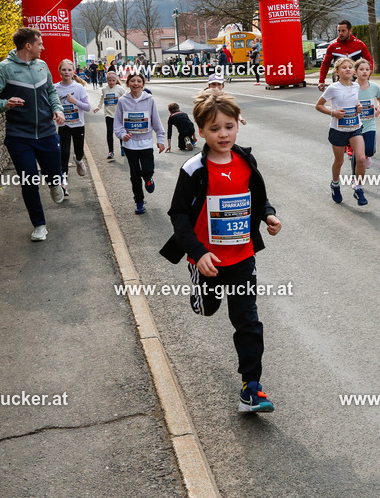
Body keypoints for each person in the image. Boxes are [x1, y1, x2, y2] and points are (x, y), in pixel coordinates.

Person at [161, 92, 282, 413]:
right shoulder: (194, 169)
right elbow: (178, 215)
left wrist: (268, 215)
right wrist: (198, 254)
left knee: (248, 321)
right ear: (201, 131)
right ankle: (199, 289)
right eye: (215, 129)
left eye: (229, 126)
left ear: (237, 126)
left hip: (242, 257)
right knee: (207, 309)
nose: (223, 134)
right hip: (207, 261)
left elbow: (259, 197)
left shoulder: (245, 161)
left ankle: (251, 387)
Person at [0, 27, 65, 241]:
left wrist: (57, 109)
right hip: (20, 135)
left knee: (54, 171)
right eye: (40, 43)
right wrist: (5, 103)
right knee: (29, 181)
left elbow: (51, 91)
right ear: (28, 46)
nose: (43, 47)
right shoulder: (4, 69)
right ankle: (39, 225)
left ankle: (55, 182)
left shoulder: (42, 66)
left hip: (47, 132)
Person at [316, 58, 368, 206]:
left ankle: (359, 188)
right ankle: (335, 184)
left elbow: (354, 101)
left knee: (361, 158)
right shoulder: (333, 87)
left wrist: (358, 106)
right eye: (344, 67)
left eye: (350, 67)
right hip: (338, 129)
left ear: (353, 71)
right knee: (339, 161)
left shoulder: (356, 86)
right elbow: (318, 106)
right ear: (337, 72)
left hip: (355, 127)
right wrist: (333, 113)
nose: (347, 69)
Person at [113, 72, 166, 214]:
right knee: (134, 175)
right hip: (130, 145)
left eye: (139, 81)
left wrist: (160, 140)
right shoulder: (122, 101)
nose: (136, 83)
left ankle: (148, 178)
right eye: (133, 81)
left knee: (148, 170)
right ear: (128, 83)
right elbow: (117, 123)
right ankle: (139, 202)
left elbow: (156, 121)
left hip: (146, 143)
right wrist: (123, 134)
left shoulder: (149, 100)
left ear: (143, 84)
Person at [55, 59, 91, 196]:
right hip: (63, 125)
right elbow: (51, 105)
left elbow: (87, 107)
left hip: (78, 125)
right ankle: (63, 183)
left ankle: (79, 160)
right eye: (63, 70)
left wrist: (75, 101)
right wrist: (55, 113)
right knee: (63, 154)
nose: (66, 72)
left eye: (69, 70)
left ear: (73, 72)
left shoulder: (78, 88)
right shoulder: (55, 88)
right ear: (59, 72)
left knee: (79, 151)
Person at [318, 20, 373, 92]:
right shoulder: (332, 46)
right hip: (338, 78)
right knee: (339, 100)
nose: (340, 33)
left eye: (343, 31)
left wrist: (367, 75)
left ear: (350, 30)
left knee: (355, 100)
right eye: (339, 31)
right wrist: (321, 81)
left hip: (355, 78)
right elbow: (325, 64)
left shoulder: (359, 44)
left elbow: (369, 61)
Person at [352, 59, 380, 174]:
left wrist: (379, 108)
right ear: (355, 72)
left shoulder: (374, 87)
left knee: (369, 150)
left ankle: (367, 156)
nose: (365, 72)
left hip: (370, 124)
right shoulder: (352, 87)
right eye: (361, 69)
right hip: (355, 126)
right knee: (358, 153)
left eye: (367, 69)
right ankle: (354, 176)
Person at [94, 71, 127, 159]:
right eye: (109, 80)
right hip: (108, 114)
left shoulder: (120, 89)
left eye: (113, 80)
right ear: (107, 80)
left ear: (116, 80)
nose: (111, 82)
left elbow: (126, 99)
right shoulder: (104, 89)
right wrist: (98, 107)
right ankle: (111, 151)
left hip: (119, 114)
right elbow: (102, 98)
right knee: (109, 132)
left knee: (120, 132)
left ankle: (123, 147)